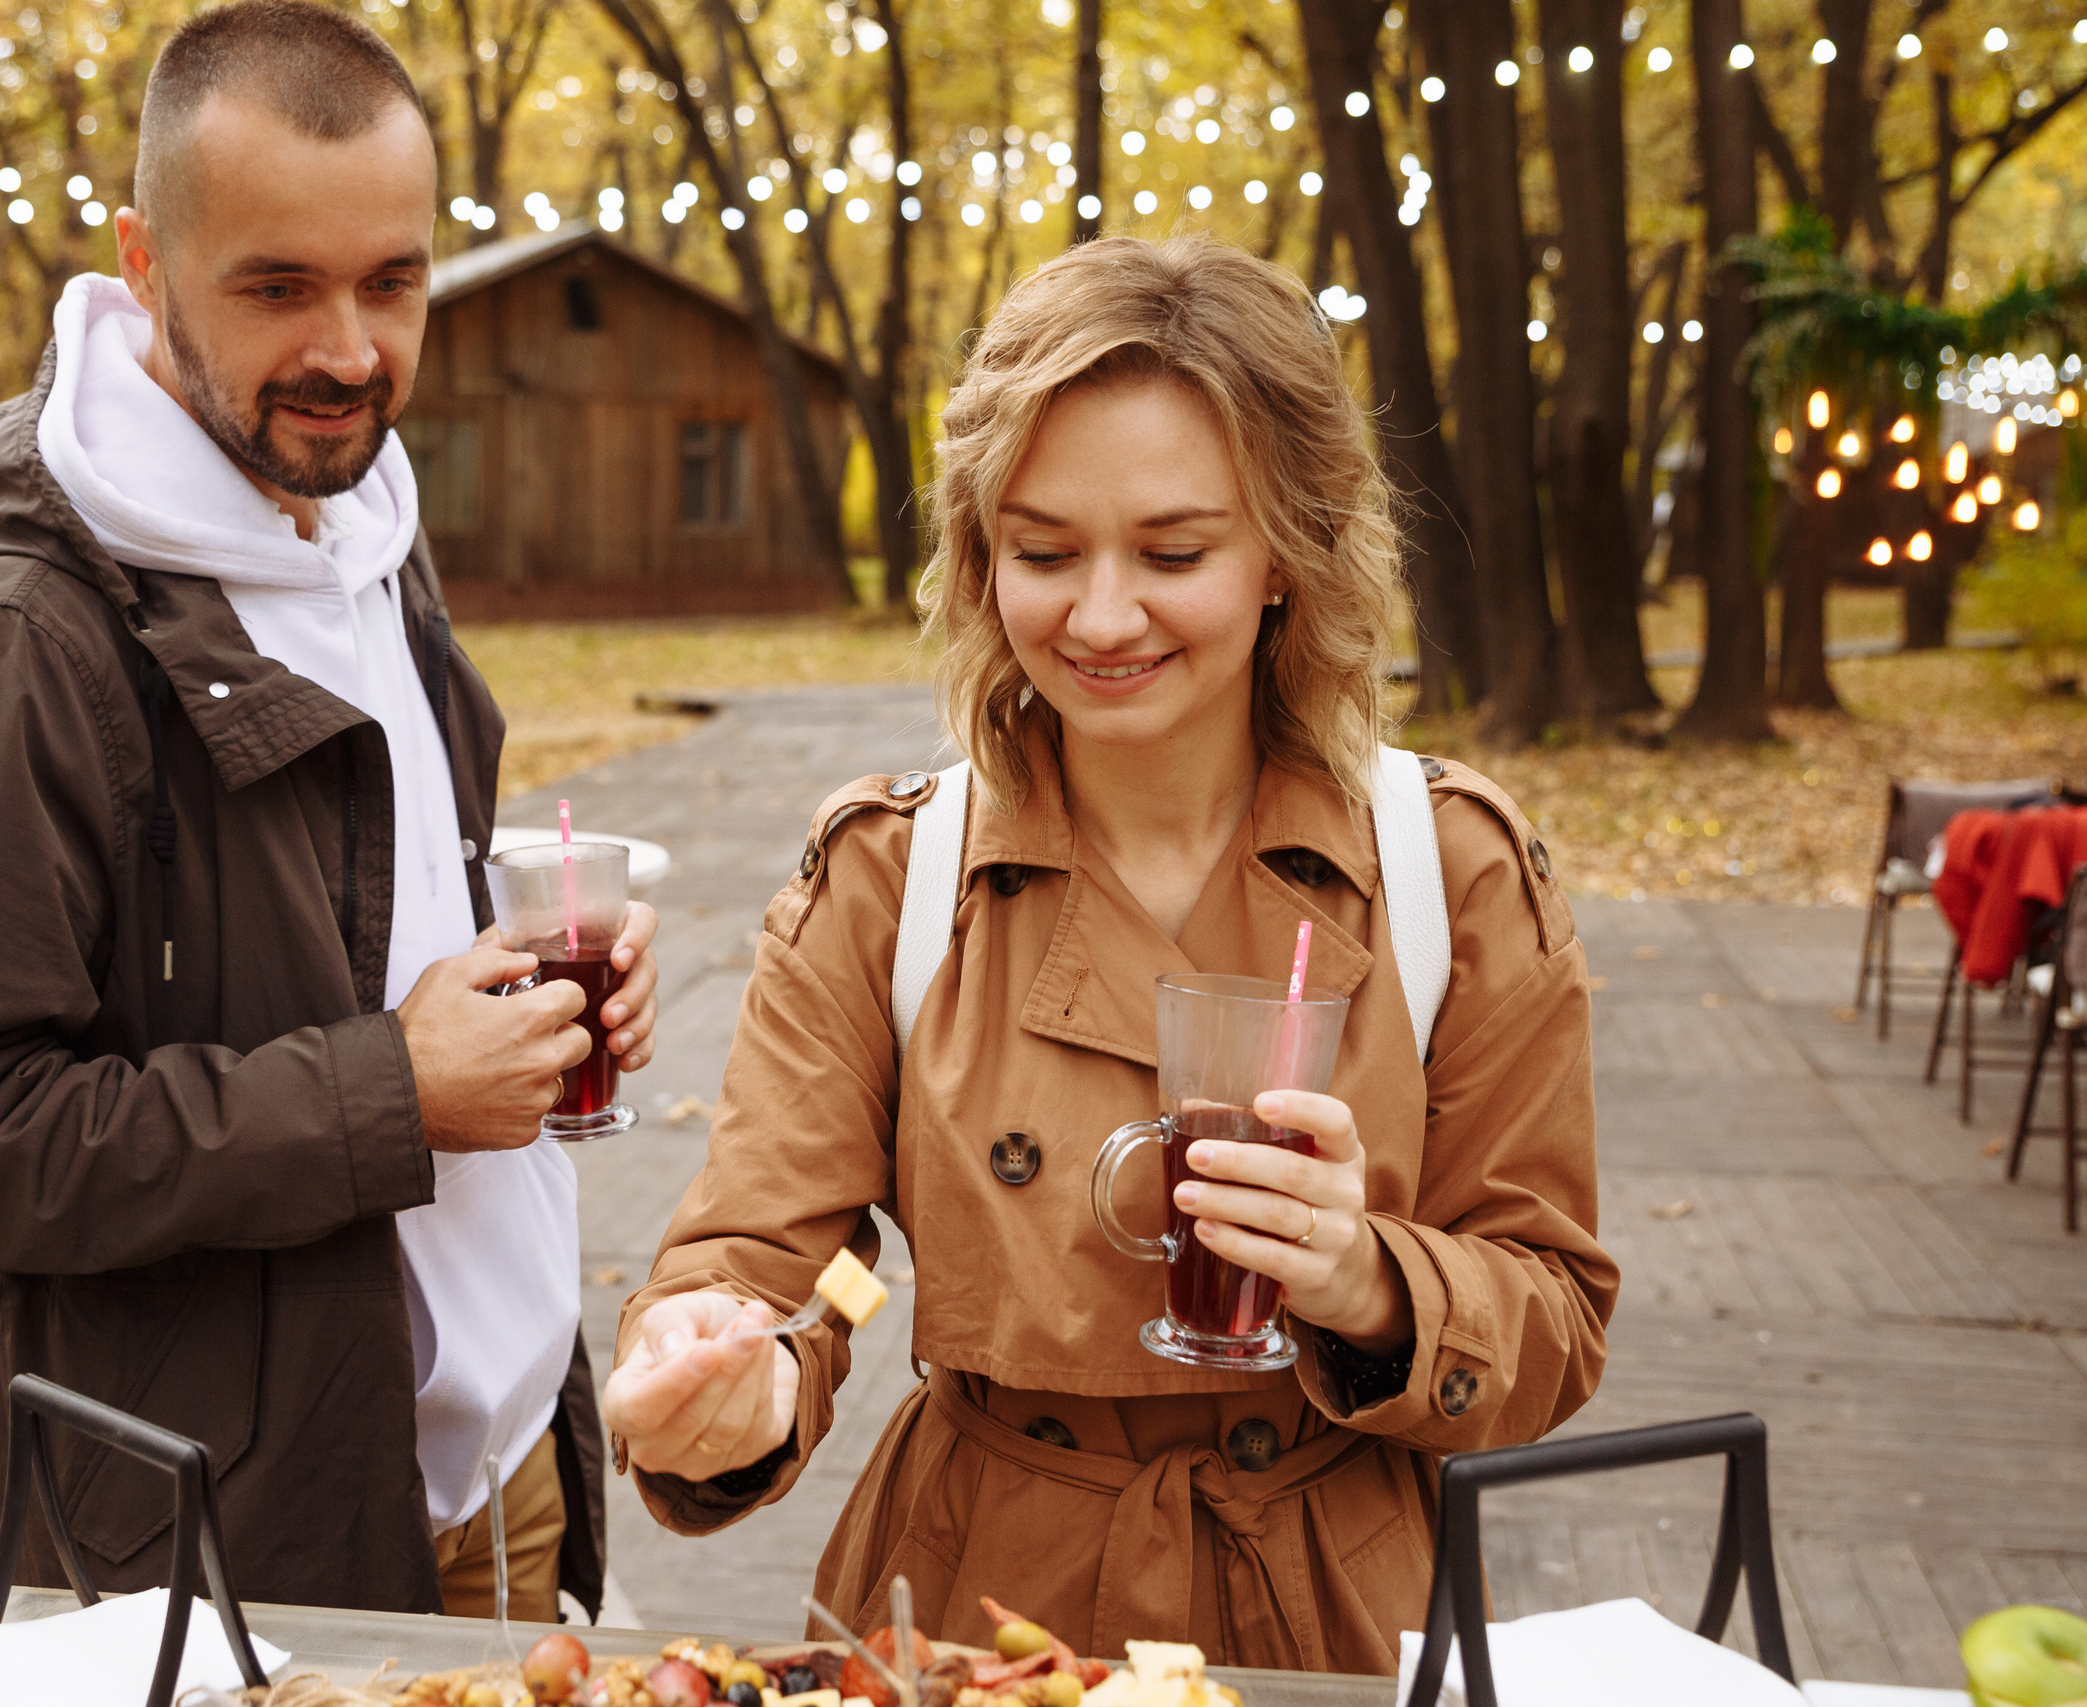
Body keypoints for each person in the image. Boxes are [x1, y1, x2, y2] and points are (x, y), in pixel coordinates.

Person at [601, 237, 1614, 1670]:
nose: (1101, 616)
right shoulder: (894, 876)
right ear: (979, 555)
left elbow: (1555, 1310)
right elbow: (781, 1257)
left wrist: (1362, 1276)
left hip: (1335, 1611)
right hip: (966, 1610)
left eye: (1175, 551)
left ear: (1289, 551)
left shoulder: (1448, 872)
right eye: (1043, 550)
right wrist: (734, 1366)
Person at [0, 0, 657, 1621]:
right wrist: (391, 1090)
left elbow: (343, 932)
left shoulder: (364, 511)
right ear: (147, 267)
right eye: (279, 286)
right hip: (232, 1548)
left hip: (501, 1472)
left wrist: (535, 990)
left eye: (393, 280)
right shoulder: (19, 636)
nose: (351, 349)